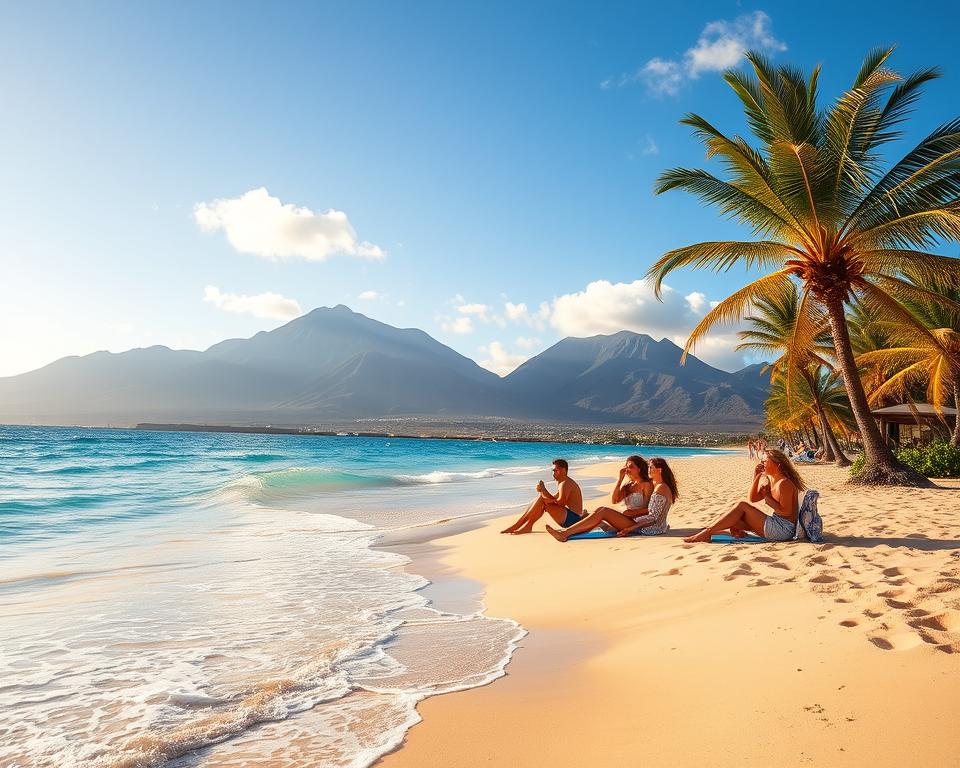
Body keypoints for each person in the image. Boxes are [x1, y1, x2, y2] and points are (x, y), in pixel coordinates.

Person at [683, 448, 805, 543]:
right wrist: (756, 476)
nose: (763, 464)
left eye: (765, 461)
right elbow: (752, 499)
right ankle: (710, 530)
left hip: (783, 530)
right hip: (776, 525)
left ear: (778, 465)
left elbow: (787, 512)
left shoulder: (785, 483)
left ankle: (707, 532)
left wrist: (767, 497)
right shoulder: (772, 480)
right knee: (733, 516)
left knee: (742, 506)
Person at [546, 457, 678, 542]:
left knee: (602, 512)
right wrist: (620, 479)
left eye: (630, 466)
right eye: (626, 466)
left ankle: (565, 533)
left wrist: (631, 516)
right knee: (597, 513)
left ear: (639, 468)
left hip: (639, 524)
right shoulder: (630, 486)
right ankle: (569, 531)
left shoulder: (649, 485)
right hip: (632, 520)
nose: (627, 469)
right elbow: (614, 500)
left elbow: (652, 512)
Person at [500, 458, 583, 534]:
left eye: (555, 471)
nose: (553, 474)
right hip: (570, 517)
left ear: (564, 471)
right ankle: (525, 526)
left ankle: (519, 525)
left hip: (573, 519)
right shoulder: (563, 482)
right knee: (541, 498)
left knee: (542, 499)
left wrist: (543, 490)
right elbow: (554, 499)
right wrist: (542, 492)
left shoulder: (565, 483)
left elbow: (561, 503)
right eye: (553, 471)